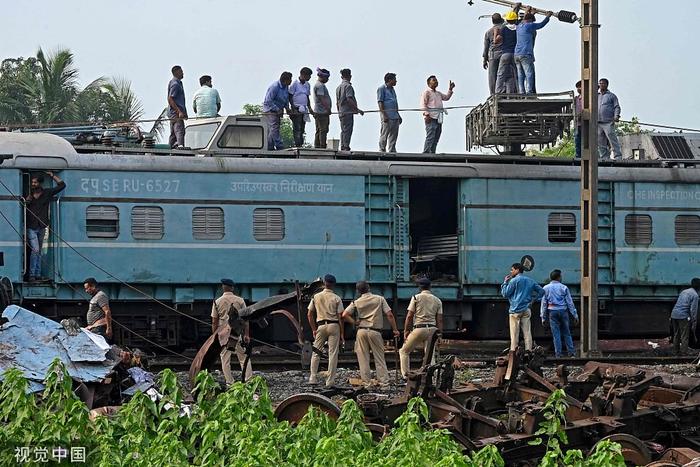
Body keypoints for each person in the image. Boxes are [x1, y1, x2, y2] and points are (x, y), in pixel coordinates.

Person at [341, 281, 400, 388]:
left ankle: (367, 384)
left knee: (363, 358)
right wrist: (395, 330)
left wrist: (355, 322)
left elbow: (344, 314)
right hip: (375, 331)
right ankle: (384, 384)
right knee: (379, 358)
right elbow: (389, 315)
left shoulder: (357, 302)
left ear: (358, 291)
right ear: (369, 287)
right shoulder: (380, 299)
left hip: (361, 331)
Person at [24, 171, 65, 281]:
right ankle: (32, 274)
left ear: (40, 183)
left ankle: (37, 274)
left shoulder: (47, 193)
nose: (33, 184)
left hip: (42, 225)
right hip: (31, 226)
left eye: (35, 182)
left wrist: (52, 176)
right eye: (32, 182)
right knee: (36, 250)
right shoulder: (28, 195)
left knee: (39, 251)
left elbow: (62, 185)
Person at [399, 277, 443, 378]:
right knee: (430, 355)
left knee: (404, 351)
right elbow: (440, 320)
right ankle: (431, 377)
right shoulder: (437, 300)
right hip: (432, 330)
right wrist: (440, 335)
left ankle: (406, 375)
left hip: (419, 328)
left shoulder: (416, 298)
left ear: (420, 287)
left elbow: (409, 316)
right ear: (430, 287)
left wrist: (406, 331)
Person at [211, 278, 252, 384]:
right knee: (243, 357)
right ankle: (248, 380)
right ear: (232, 288)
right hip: (238, 332)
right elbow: (246, 320)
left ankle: (230, 382)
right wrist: (247, 334)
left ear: (222, 288)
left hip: (223, 334)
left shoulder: (217, 302)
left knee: (225, 358)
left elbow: (214, 322)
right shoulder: (240, 300)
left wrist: (214, 336)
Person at [307, 274, 345, 387]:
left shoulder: (316, 297)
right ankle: (330, 381)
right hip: (334, 326)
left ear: (324, 283)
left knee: (316, 352)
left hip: (321, 325)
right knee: (333, 354)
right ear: (333, 285)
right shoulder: (337, 298)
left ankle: (312, 378)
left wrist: (314, 329)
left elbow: (309, 314)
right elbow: (340, 317)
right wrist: (342, 334)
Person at [501, 263, 544, 351]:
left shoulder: (514, 281)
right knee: (527, 332)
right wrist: (533, 300)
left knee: (514, 334)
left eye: (512, 270)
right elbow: (542, 291)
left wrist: (505, 282)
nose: (511, 271)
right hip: (526, 309)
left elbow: (505, 294)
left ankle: (514, 351)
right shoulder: (530, 280)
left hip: (515, 310)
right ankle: (528, 351)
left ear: (517, 270)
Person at [540, 269, 578, 357]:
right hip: (563, 311)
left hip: (552, 312)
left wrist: (543, 317)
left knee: (556, 334)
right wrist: (575, 315)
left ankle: (558, 354)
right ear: (558, 277)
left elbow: (544, 304)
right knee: (567, 333)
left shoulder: (545, 288)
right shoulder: (564, 287)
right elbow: (570, 302)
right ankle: (571, 353)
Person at [514, 9, 552, 94]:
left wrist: (531, 13)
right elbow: (541, 24)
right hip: (525, 54)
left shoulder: (519, 26)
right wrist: (548, 16)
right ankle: (529, 92)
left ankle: (521, 92)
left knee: (520, 75)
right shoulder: (529, 25)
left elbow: (526, 19)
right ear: (531, 21)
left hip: (517, 54)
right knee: (529, 73)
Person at [421, 76, 455, 153]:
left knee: (436, 137)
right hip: (431, 117)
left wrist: (450, 89)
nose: (436, 81)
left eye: (436, 80)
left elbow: (446, 98)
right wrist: (426, 115)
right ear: (429, 83)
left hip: (438, 118)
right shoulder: (427, 92)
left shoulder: (438, 93)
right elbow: (423, 104)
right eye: (434, 80)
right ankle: (426, 153)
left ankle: (432, 152)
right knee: (430, 136)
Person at [263, 72, 293, 150]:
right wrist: (277, 109)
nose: (291, 81)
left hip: (278, 110)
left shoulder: (286, 87)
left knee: (273, 129)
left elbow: (285, 99)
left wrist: (287, 108)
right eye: (290, 79)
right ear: (285, 80)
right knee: (274, 127)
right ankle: (279, 145)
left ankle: (269, 146)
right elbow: (268, 101)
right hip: (270, 110)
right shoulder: (275, 87)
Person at [670, 278, 700, 356]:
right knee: (684, 335)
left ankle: (675, 351)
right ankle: (684, 352)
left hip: (674, 314)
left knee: (676, 334)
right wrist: (694, 323)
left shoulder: (684, 291)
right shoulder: (695, 295)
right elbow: (693, 311)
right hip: (683, 316)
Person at [336, 69, 364, 151]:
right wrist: (357, 109)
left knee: (343, 130)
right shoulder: (348, 87)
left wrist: (339, 111)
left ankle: (343, 145)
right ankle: (345, 146)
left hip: (341, 111)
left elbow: (337, 102)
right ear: (350, 76)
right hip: (347, 111)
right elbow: (349, 99)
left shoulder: (338, 88)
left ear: (341, 77)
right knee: (348, 130)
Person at [494, 10, 518, 94]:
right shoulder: (519, 29)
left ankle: (498, 92)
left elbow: (496, 41)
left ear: (507, 20)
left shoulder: (504, 29)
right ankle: (519, 91)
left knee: (501, 74)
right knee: (517, 74)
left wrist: (496, 33)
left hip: (505, 54)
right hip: (516, 54)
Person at [289, 67, 314, 147]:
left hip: (304, 108)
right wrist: (292, 108)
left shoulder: (307, 84)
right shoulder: (295, 84)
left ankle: (301, 143)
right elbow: (290, 96)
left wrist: (309, 108)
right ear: (303, 75)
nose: (309, 77)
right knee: (297, 128)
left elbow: (307, 96)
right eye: (308, 76)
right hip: (296, 108)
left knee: (302, 128)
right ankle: (297, 144)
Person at [598, 78, 622, 160]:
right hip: (598, 122)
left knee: (612, 139)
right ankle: (604, 157)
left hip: (608, 121)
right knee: (600, 141)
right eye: (600, 83)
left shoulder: (612, 96)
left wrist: (616, 116)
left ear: (607, 85)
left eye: (603, 83)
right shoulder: (595, 96)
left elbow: (617, 107)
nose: (601, 85)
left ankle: (617, 156)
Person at [377, 73, 402, 153]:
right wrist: (384, 115)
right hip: (387, 116)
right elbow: (380, 102)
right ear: (389, 80)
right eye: (394, 79)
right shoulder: (381, 88)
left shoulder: (392, 89)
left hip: (395, 116)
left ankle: (392, 150)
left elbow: (395, 102)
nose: (396, 81)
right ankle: (382, 150)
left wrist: (398, 115)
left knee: (394, 135)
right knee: (384, 134)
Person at [483, 13, 504, 95]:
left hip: (492, 55)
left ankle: (493, 94)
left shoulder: (488, 32)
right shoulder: (504, 28)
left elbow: (486, 47)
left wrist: (484, 60)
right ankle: (503, 93)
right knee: (502, 74)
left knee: (492, 77)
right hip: (502, 53)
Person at [167, 65, 187, 149]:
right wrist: (179, 111)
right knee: (179, 130)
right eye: (181, 71)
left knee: (173, 133)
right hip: (175, 113)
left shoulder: (177, 83)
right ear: (177, 72)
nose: (183, 73)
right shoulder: (175, 84)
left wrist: (184, 113)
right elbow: (170, 98)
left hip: (174, 112)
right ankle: (180, 147)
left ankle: (169, 148)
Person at [312, 68, 332, 149]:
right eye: (326, 77)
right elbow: (321, 98)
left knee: (319, 129)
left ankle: (318, 145)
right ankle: (322, 146)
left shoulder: (319, 85)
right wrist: (328, 108)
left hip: (319, 111)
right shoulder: (319, 86)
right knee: (323, 130)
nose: (327, 79)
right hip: (322, 112)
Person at [574, 80, 583, 159]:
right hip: (578, 123)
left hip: (587, 123)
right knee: (577, 140)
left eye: (580, 87)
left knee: (587, 141)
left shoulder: (588, 98)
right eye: (577, 87)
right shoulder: (576, 99)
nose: (578, 89)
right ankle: (578, 156)